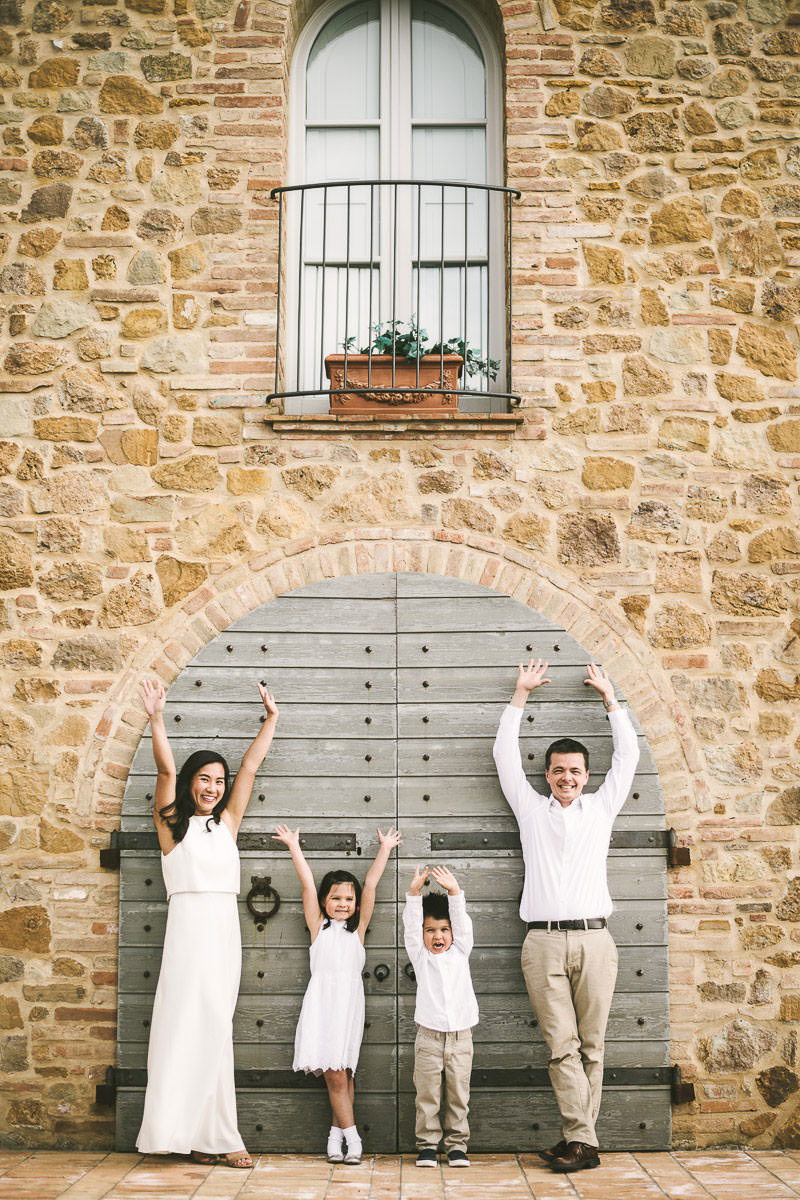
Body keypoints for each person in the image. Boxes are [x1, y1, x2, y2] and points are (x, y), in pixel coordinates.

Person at [492, 659, 639, 1174]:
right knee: (562, 1046)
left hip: (597, 941)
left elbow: (630, 755)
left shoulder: (602, 809)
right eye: (558, 771)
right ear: (548, 775)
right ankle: (583, 1141)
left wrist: (611, 700)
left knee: (592, 1047)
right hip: (543, 943)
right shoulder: (531, 811)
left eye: (576, 771)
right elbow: (504, 757)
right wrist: (519, 696)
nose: (567, 778)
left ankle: (580, 1140)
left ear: (586, 776)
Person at [136, 678, 279, 1169]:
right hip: (187, 936)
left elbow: (252, 767)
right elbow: (165, 768)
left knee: (217, 1031)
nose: (213, 788)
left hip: (223, 935)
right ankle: (198, 1135)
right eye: (205, 780)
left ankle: (210, 1136)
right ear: (191, 783)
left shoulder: (229, 823)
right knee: (184, 1030)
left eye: (219, 781)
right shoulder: (170, 825)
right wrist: (156, 718)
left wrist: (271, 720)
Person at [272, 823, 401, 1164]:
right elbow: (305, 882)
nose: (342, 903)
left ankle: (334, 1137)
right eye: (335, 897)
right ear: (324, 901)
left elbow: (371, 884)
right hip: (323, 1004)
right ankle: (353, 1139)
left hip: (348, 1004)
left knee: (343, 1072)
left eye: (348, 899)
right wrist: (293, 846)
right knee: (334, 1073)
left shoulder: (357, 934)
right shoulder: (318, 927)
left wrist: (385, 848)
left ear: (356, 905)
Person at [403, 865, 479, 1170]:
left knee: (459, 1095)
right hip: (429, 1038)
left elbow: (462, 923)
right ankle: (428, 1146)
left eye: (444, 929)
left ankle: (457, 1146)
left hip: (461, 1037)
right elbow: (410, 925)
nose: (438, 936)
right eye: (431, 930)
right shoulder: (419, 955)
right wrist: (413, 893)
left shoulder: (461, 950)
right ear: (423, 934)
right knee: (427, 1095)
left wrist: (455, 892)